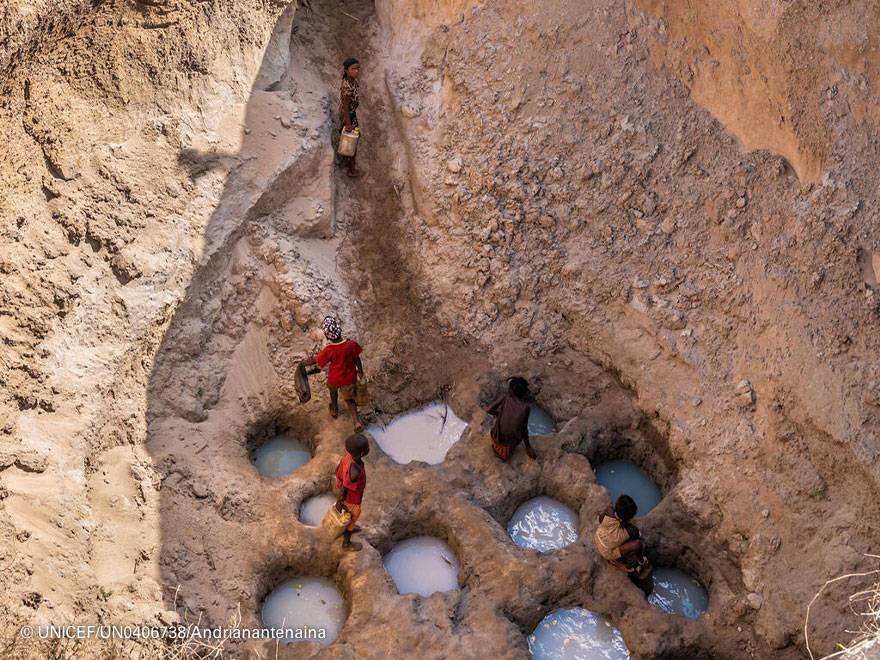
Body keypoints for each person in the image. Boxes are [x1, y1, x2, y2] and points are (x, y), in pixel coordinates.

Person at [302, 317, 365, 432]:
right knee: (350, 399)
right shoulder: (351, 344)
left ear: (327, 336)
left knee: (333, 391)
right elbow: (357, 359)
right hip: (349, 378)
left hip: (335, 378)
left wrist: (303, 363)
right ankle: (356, 422)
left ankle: (334, 408)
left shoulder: (330, 349)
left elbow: (316, 360)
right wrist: (360, 371)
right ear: (339, 330)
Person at [594, 495, 653, 595]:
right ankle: (641, 561)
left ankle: (617, 557)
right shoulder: (630, 530)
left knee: (618, 539)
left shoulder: (609, 510)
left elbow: (600, 520)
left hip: (598, 537)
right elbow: (637, 535)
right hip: (607, 552)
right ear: (630, 518)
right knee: (637, 544)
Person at [486, 376, 537, 461]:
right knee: (519, 429)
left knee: (501, 420)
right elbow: (524, 430)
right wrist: (528, 447)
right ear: (524, 393)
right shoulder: (525, 409)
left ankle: (496, 449)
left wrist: (499, 415)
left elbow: (488, 409)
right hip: (506, 449)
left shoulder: (505, 397)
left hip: (494, 439)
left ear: (511, 390)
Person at [334, 433, 369, 552]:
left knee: (350, 517)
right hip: (351, 499)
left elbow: (338, 469)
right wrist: (340, 501)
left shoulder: (348, 456)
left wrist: (340, 478)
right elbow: (345, 487)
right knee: (352, 518)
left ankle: (350, 528)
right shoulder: (355, 472)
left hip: (348, 496)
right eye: (367, 448)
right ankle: (347, 543)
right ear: (362, 454)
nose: (369, 449)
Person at [339, 57, 362, 178]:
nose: (356, 71)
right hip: (348, 115)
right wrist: (348, 124)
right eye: (353, 69)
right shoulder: (347, 87)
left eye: (358, 68)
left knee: (348, 138)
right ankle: (351, 170)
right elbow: (345, 106)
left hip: (351, 113)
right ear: (347, 70)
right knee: (353, 140)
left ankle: (344, 160)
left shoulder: (352, 80)